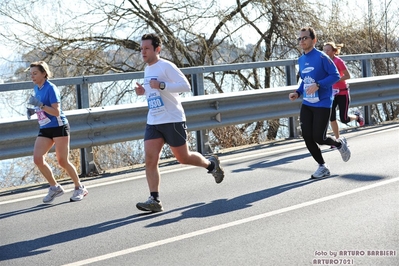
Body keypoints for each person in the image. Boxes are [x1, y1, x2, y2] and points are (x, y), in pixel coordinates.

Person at [134, 33, 224, 212]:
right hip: (154, 120)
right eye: (141, 49)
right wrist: (143, 91)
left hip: (172, 119)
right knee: (150, 159)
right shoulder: (147, 69)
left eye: (147, 48)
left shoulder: (166, 66)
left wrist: (161, 86)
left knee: (183, 157)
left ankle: (211, 164)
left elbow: (185, 86)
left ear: (157, 49)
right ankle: (154, 199)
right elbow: (154, 91)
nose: (143, 52)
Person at [288, 27, 351, 179]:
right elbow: (305, 80)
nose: (302, 41)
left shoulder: (322, 57)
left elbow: (335, 75)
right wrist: (298, 92)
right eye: (300, 38)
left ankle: (339, 144)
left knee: (319, 138)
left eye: (305, 38)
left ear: (313, 40)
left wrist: (319, 85)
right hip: (307, 103)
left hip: (322, 103)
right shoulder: (301, 59)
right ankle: (322, 166)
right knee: (307, 136)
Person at [27, 61, 88, 203]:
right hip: (45, 128)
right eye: (31, 74)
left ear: (44, 73)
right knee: (37, 158)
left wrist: (40, 105)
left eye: (35, 73)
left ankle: (80, 187)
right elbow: (42, 109)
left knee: (62, 161)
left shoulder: (51, 88)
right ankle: (55, 187)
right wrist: (34, 110)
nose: (32, 76)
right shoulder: (37, 88)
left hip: (59, 126)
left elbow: (55, 112)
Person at [323, 42, 364, 142]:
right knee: (331, 117)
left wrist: (335, 79)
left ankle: (357, 117)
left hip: (342, 93)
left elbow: (347, 76)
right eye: (324, 50)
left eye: (328, 50)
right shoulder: (324, 62)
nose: (325, 52)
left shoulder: (338, 61)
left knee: (344, 119)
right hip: (331, 93)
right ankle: (337, 139)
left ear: (334, 51)